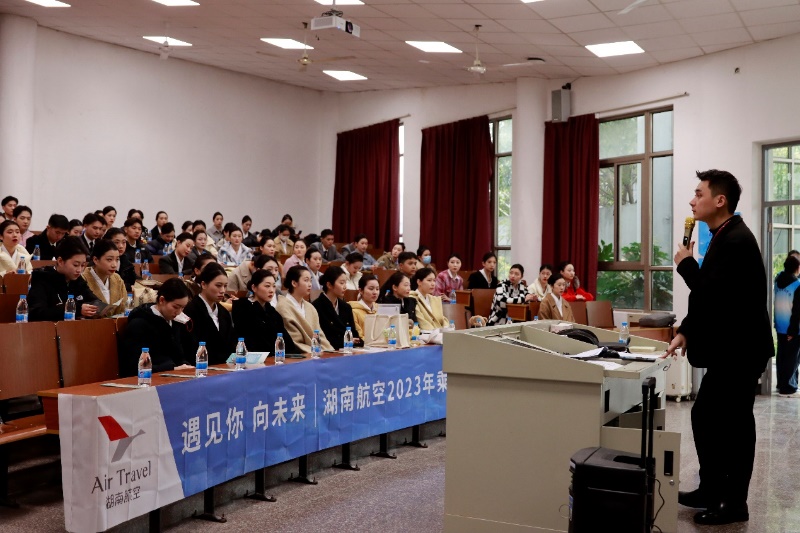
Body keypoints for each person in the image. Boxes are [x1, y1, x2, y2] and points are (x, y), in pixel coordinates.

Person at [665, 170, 773, 526]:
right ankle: (711, 488)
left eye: (699, 194)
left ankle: (734, 503)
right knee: (707, 417)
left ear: (720, 200)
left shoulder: (736, 240)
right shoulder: (723, 235)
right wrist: (686, 330)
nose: (692, 200)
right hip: (731, 350)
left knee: (733, 426)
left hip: (740, 351)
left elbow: (710, 291)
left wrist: (685, 263)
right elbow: (711, 295)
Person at [119, 279, 194, 377]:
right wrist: (172, 369)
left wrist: (186, 366)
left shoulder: (175, 322)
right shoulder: (139, 324)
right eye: (176, 307)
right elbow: (135, 367)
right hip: (149, 379)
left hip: (172, 376)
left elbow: (179, 357)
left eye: (183, 308)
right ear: (162, 300)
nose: (179, 312)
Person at [28, 237, 99, 321]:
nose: (79, 270)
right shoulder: (42, 278)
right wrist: (76, 309)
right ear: (60, 261)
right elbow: (36, 313)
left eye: (83, 265)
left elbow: (94, 301)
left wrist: (99, 308)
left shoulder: (78, 280)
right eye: (76, 265)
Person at [232, 269, 298, 354]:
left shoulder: (272, 311)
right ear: (254, 287)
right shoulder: (242, 307)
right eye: (267, 286)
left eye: (274, 286)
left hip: (275, 357)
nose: (271, 290)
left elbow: (285, 340)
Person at [182, 263, 236, 365]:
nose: (222, 291)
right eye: (218, 285)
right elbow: (190, 348)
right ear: (203, 284)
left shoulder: (223, 312)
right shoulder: (191, 310)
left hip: (225, 366)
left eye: (225, 286)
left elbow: (231, 344)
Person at [276, 265, 333, 353]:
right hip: (297, 353)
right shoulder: (282, 307)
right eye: (306, 280)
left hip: (315, 351)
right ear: (294, 283)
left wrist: (329, 350)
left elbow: (319, 334)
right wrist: (315, 349)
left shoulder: (310, 307)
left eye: (310, 280)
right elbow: (294, 338)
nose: (310, 284)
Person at [312, 266, 362, 350]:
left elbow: (354, 333)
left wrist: (355, 341)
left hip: (348, 350)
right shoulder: (316, 306)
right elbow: (322, 337)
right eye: (341, 283)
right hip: (327, 351)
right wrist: (346, 341)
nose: (345, 287)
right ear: (329, 285)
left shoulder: (346, 307)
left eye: (345, 283)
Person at [774, 254, 800, 397]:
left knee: (782, 356)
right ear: (797, 268)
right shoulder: (797, 285)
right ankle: (788, 386)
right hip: (791, 328)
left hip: (779, 325)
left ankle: (781, 383)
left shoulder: (778, 281)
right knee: (792, 358)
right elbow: (797, 311)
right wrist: (793, 331)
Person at [81, 238, 127, 316]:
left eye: (117, 260)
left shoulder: (117, 279)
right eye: (109, 260)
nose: (114, 265)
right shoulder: (83, 278)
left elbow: (124, 306)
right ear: (96, 260)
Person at [349, 274, 379, 338]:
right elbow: (359, 336)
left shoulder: (379, 309)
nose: (375, 292)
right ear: (361, 291)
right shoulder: (353, 311)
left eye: (377, 289)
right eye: (371, 289)